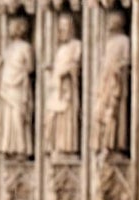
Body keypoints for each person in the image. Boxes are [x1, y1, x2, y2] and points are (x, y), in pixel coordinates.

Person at [0, 15, 35, 157]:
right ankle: (8, 148)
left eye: (12, 26)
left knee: (18, 118)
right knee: (8, 118)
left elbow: (30, 68)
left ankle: (21, 149)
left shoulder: (26, 47)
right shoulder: (8, 49)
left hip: (18, 87)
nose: (10, 29)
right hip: (7, 87)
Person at [93, 9, 130, 155]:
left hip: (116, 81)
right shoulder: (108, 42)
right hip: (105, 81)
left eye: (111, 20)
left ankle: (114, 145)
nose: (108, 23)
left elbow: (126, 61)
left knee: (114, 113)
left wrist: (116, 69)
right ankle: (103, 144)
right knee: (101, 112)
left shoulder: (124, 40)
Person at [45, 12, 81, 156]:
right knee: (51, 119)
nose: (61, 30)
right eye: (59, 27)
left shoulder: (77, 45)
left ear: (71, 28)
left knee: (66, 118)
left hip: (67, 90)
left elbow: (76, 65)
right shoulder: (60, 49)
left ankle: (67, 149)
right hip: (56, 90)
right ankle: (55, 147)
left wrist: (64, 71)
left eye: (64, 26)